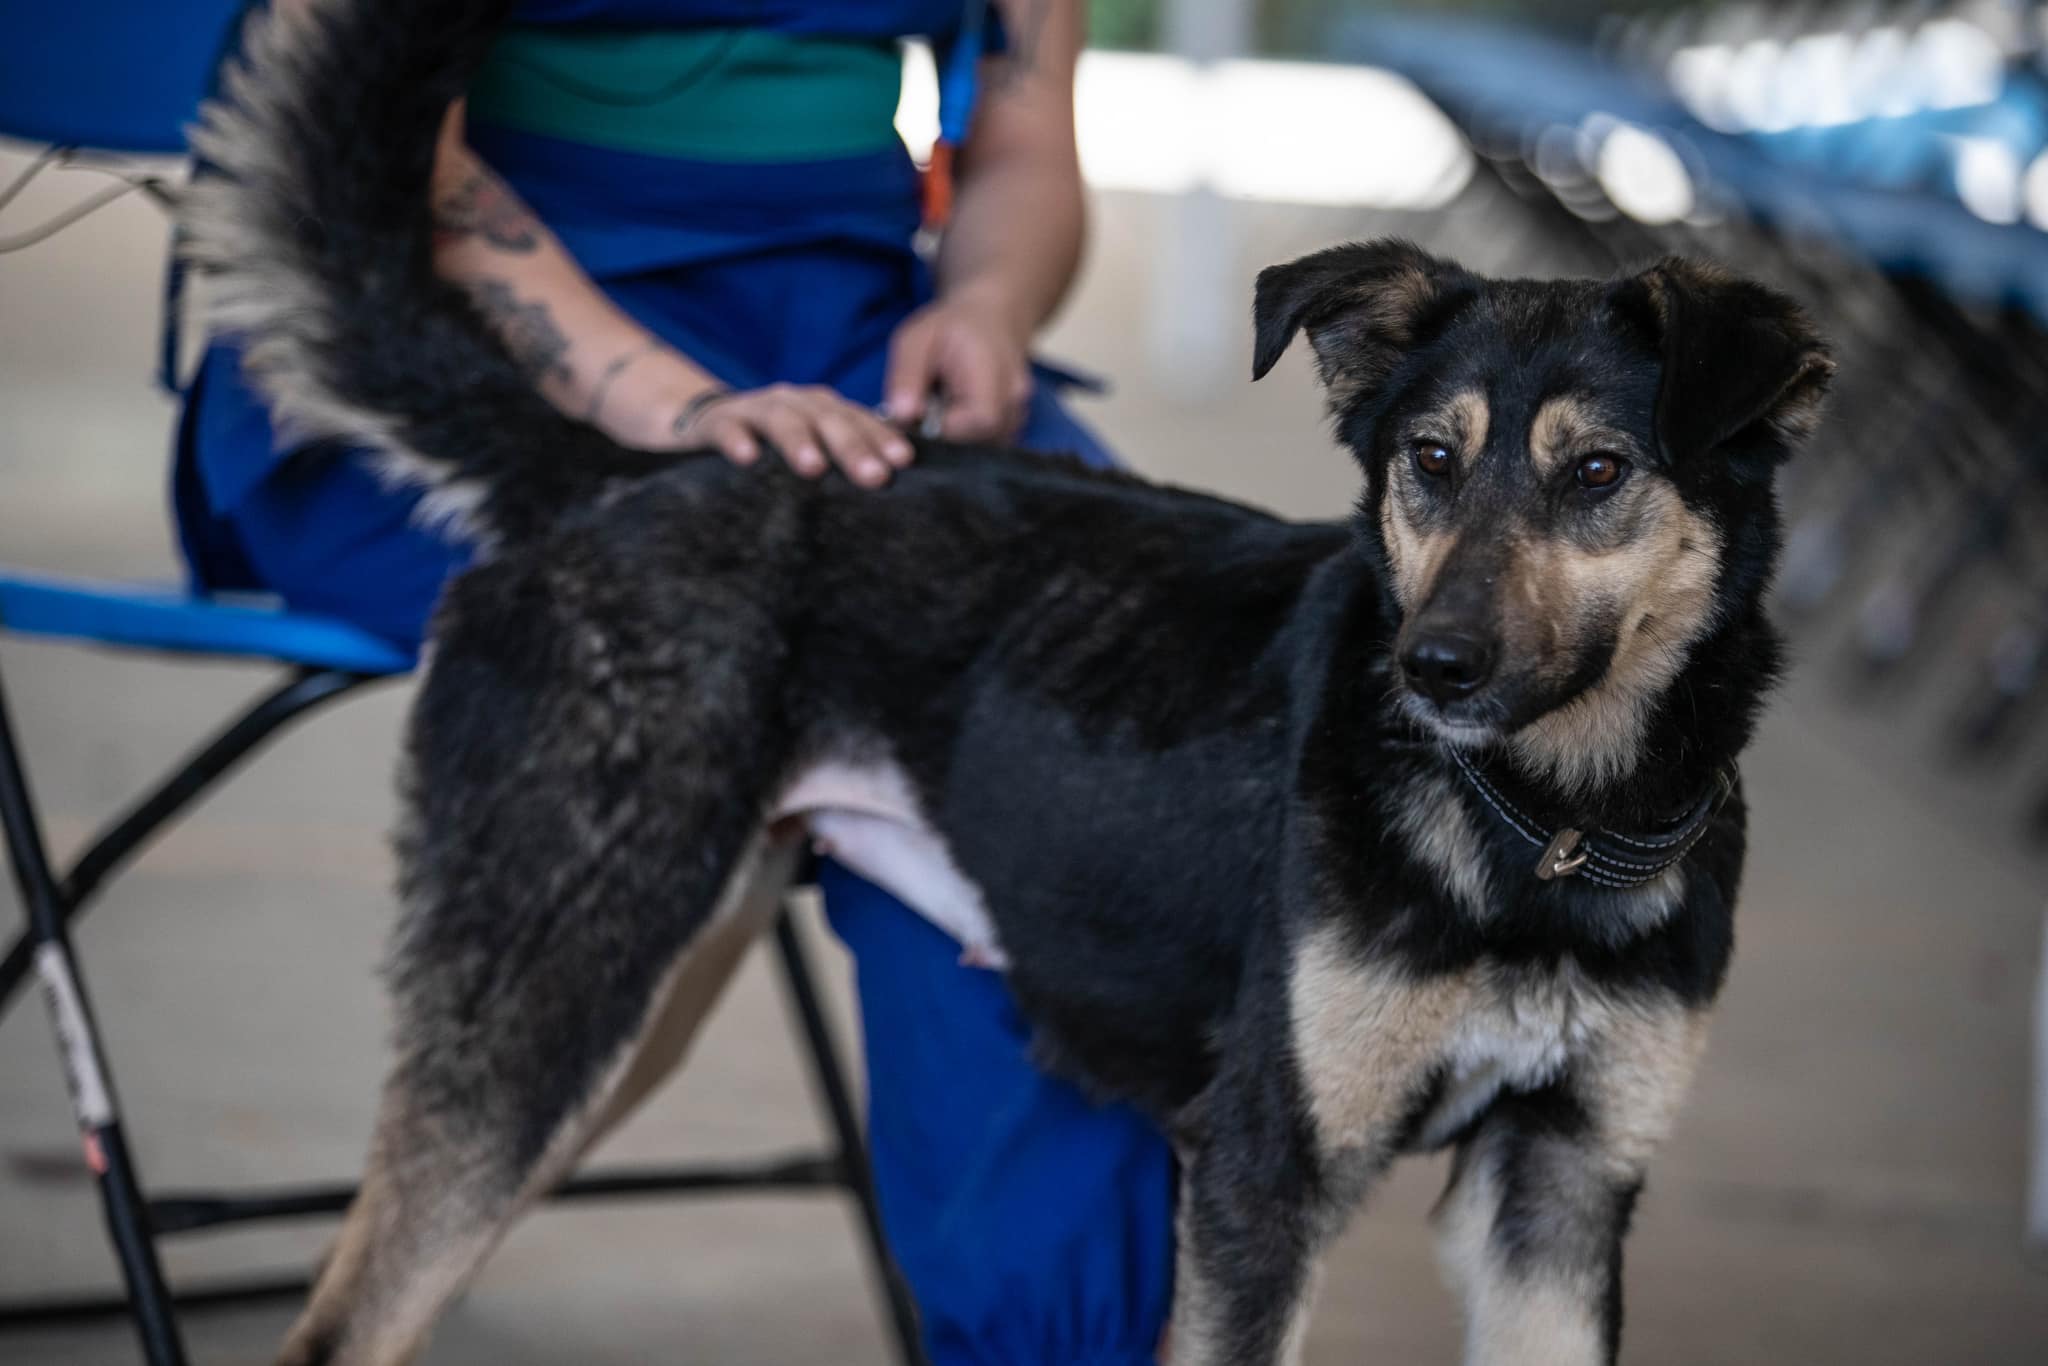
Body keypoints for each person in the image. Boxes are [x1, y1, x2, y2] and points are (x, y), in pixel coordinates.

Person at [171, 2, 1177, 1362]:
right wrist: (675, 413)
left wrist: (984, 308)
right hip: (443, 322)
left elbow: (1022, 142)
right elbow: (372, 127)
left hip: (846, 335)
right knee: (698, 667)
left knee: (1097, 733)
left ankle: (1053, 1342)